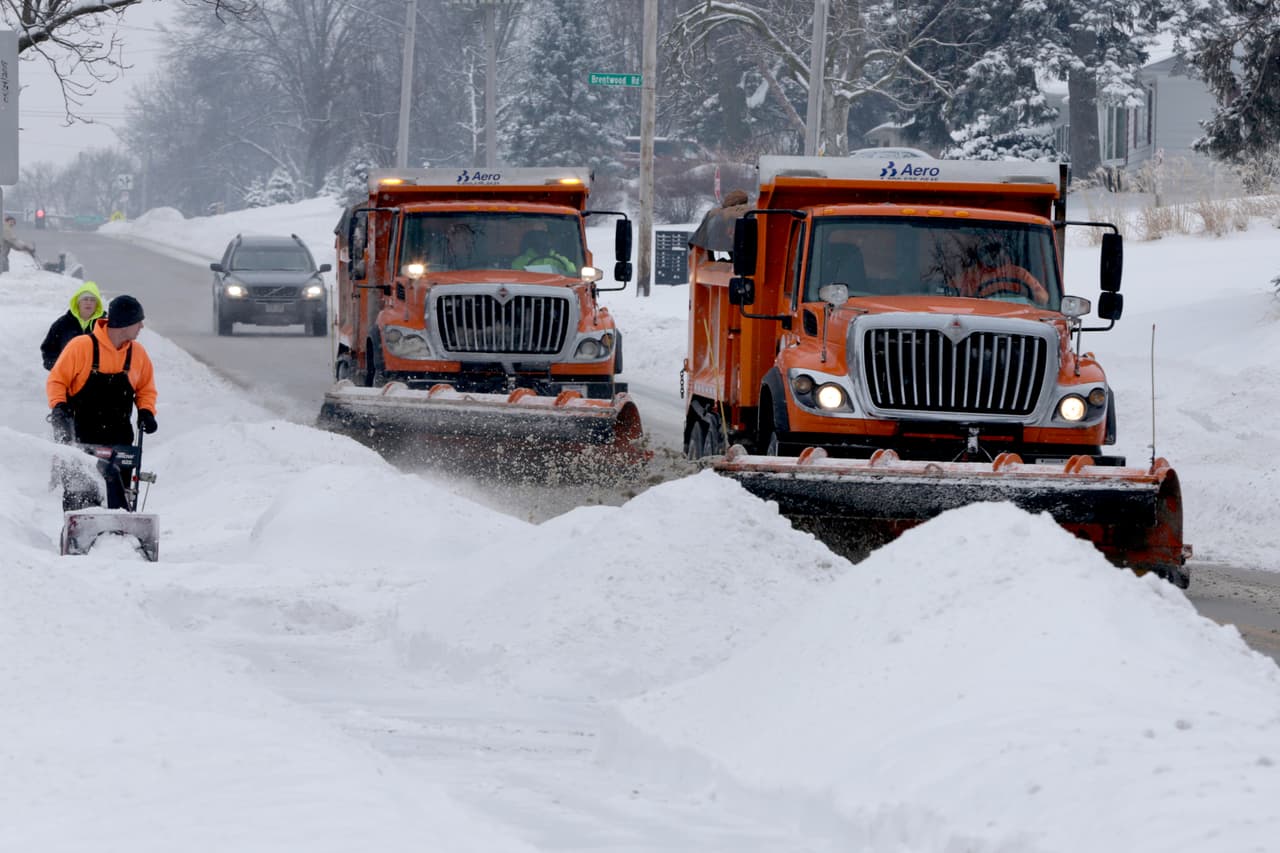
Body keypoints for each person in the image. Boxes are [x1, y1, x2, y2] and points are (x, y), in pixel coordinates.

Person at [47, 294, 158, 511]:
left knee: (120, 501)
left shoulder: (138, 354)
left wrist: (146, 411)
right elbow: (57, 380)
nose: (141, 326)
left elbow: (145, 387)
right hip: (83, 436)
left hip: (120, 439)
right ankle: (80, 538)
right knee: (82, 498)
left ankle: (121, 538)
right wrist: (59, 406)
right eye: (138, 321)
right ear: (124, 323)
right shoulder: (81, 347)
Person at [957, 239, 1049, 305]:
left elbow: (1043, 298)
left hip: (1016, 318)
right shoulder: (973, 274)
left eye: (995, 251)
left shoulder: (1019, 274)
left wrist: (1025, 294)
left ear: (1003, 252)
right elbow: (958, 298)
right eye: (987, 251)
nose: (991, 255)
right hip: (982, 319)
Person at [40, 280, 106, 370]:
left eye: (93, 300)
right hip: (68, 378)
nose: (89, 302)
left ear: (97, 304)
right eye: (85, 299)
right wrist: (58, 367)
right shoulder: (62, 323)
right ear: (78, 302)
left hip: (96, 379)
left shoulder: (105, 325)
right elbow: (48, 349)